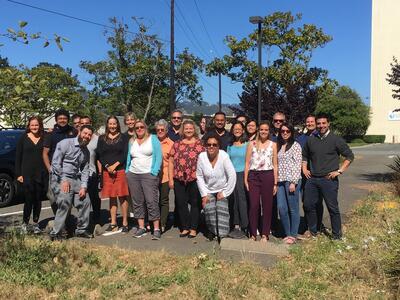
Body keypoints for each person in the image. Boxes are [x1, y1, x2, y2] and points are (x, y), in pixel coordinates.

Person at [302, 114, 354, 240]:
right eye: (319, 123)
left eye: (323, 123)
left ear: (328, 123)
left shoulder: (336, 139)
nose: (321, 126)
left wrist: (340, 171)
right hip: (312, 179)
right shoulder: (311, 139)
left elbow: (349, 156)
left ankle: (336, 235)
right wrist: (304, 169)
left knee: (332, 208)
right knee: (308, 205)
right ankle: (314, 231)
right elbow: (305, 156)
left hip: (328, 180)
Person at [49, 125, 94, 240]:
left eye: (89, 135)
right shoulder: (65, 143)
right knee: (65, 201)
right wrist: (63, 180)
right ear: (79, 132)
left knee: (85, 201)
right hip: (59, 177)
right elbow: (55, 164)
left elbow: (85, 170)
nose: (87, 136)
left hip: (74, 178)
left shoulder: (86, 152)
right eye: (85, 133)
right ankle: (56, 232)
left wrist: (83, 187)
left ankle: (81, 230)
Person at [126, 120, 163, 239]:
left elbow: (158, 156)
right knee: (137, 202)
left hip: (148, 175)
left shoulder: (153, 139)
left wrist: (154, 172)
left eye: (142, 127)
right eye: (137, 128)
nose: (139, 129)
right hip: (133, 175)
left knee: (151, 201)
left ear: (146, 128)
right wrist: (127, 171)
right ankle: (141, 227)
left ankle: (156, 228)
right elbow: (129, 156)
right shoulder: (132, 141)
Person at [168, 119, 204, 238]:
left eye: (191, 128)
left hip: (195, 179)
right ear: (183, 130)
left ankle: (193, 228)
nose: (188, 130)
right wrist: (171, 179)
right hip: (179, 179)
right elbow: (171, 162)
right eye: (186, 128)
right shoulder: (177, 144)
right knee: (181, 204)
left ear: (194, 130)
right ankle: (185, 227)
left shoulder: (200, 144)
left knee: (195, 204)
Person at [197, 133, 236, 240]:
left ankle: (222, 234)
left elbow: (232, 175)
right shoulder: (202, 156)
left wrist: (224, 193)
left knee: (221, 211)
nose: (211, 147)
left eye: (214, 144)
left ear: (219, 146)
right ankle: (212, 232)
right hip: (208, 189)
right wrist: (204, 195)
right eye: (209, 144)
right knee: (209, 211)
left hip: (222, 189)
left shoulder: (224, 156)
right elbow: (199, 176)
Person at [244, 121, 278, 242]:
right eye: (262, 129)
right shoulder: (251, 144)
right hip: (253, 176)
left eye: (266, 130)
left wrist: (275, 182)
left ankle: (265, 233)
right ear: (258, 130)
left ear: (269, 131)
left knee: (267, 205)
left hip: (268, 175)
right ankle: (253, 233)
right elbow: (247, 163)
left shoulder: (273, 145)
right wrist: (246, 179)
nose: (264, 132)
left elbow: (275, 164)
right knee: (253, 205)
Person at [96, 116, 130, 233]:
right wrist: (107, 167)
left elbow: (125, 154)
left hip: (119, 170)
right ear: (107, 125)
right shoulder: (101, 138)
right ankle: (113, 223)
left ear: (118, 124)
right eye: (110, 124)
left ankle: (125, 222)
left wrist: (115, 166)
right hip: (107, 172)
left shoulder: (123, 137)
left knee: (122, 197)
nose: (112, 126)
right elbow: (100, 155)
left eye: (114, 124)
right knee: (112, 197)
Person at [15, 116, 47, 234]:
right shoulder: (23, 138)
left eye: (36, 125)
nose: (34, 127)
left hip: (40, 173)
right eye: (32, 125)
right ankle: (25, 223)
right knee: (28, 199)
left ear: (40, 126)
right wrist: (18, 174)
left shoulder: (44, 138)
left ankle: (36, 223)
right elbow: (18, 156)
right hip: (26, 174)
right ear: (29, 126)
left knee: (38, 199)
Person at [43, 108, 77, 215]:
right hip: (55, 170)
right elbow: (45, 153)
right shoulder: (51, 134)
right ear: (56, 120)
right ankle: (59, 219)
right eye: (60, 118)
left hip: (69, 170)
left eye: (65, 118)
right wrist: (50, 169)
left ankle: (66, 221)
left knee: (67, 196)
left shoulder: (73, 132)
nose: (62, 120)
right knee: (53, 197)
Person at [296, 114, 324, 238]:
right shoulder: (301, 139)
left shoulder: (322, 136)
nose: (310, 124)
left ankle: (318, 226)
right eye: (307, 122)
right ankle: (309, 226)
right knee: (307, 202)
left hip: (319, 175)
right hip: (305, 176)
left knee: (318, 202)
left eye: (312, 121)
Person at [276, 123, 302, 244]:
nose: (285, 133)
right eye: (283, 131)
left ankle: (293, 234)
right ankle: (287, 233)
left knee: (293, 209)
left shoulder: (296, 146)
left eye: (287, 131)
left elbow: (298, 164)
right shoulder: (280, 146)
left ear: (291, 132)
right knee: (281, 208)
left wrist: (293, 182)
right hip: (280, 181)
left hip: (292, 181)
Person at [227, 121, 249, 238]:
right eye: (235, 128)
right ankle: (236, 225)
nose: (237, 130)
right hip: (232, 175)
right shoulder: (230, 145)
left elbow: (249, 161)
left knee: (242, 200)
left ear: (243, 130)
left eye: (239, 128)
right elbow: (227, 161)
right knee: (233, 201)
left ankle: (245, 225)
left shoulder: (248, 144)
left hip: (243, 174)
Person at [79, 116, 101, 225]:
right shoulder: (77, 137)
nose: (84, 125)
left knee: (94, 198)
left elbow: (100, 157)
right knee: (83, 199)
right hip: (78, 174)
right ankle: (84, 220)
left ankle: (96, 219)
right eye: (82, 123)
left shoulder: (97, 139)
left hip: (92, 173)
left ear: (91, 123)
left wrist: (100, 174)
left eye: (86, 123)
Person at [155, 119, 174, 232]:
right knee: (152, 200)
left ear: (166, 131)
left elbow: (172, 162)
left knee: (163, 200)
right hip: (152, 176)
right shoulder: (152, 141)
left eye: (162, 129)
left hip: (165, 176)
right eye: (158, 130)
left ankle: (162, 223)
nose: (160, 131)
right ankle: (152, 221)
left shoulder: (171, 144)